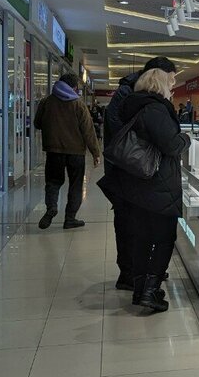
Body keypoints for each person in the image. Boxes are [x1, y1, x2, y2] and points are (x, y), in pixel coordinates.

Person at [97, 69, 190, 313]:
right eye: (170, 84)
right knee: (164, 238)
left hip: (137, 184)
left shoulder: (133, 105)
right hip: (157, 185)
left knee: (142, 239)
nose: (172, 89)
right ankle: (150, 291)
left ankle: (139, 288)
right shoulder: (155, 109)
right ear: (161, 85)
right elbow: (171, 145)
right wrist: (186, 139)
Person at [104, 56, 176, 290]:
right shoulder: (139, 98)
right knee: (131, 227)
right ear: (160, 76)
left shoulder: (134, 94)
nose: (173, 84)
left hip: (132, 173)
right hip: (133, 172)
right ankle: (130, 275)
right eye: (171, 79)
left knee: (139, 228)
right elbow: (123, 135)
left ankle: (140, 274)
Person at [34, 72, 101, 229]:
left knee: (53, 182)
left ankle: (51, 208)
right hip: (76, 152)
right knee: (75, 185)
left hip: (53, 151)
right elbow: (88, 131)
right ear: (74, 87)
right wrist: (96, 153)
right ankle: (70, 218)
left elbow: (37, 123)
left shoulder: (46, 102)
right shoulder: (79, 104)